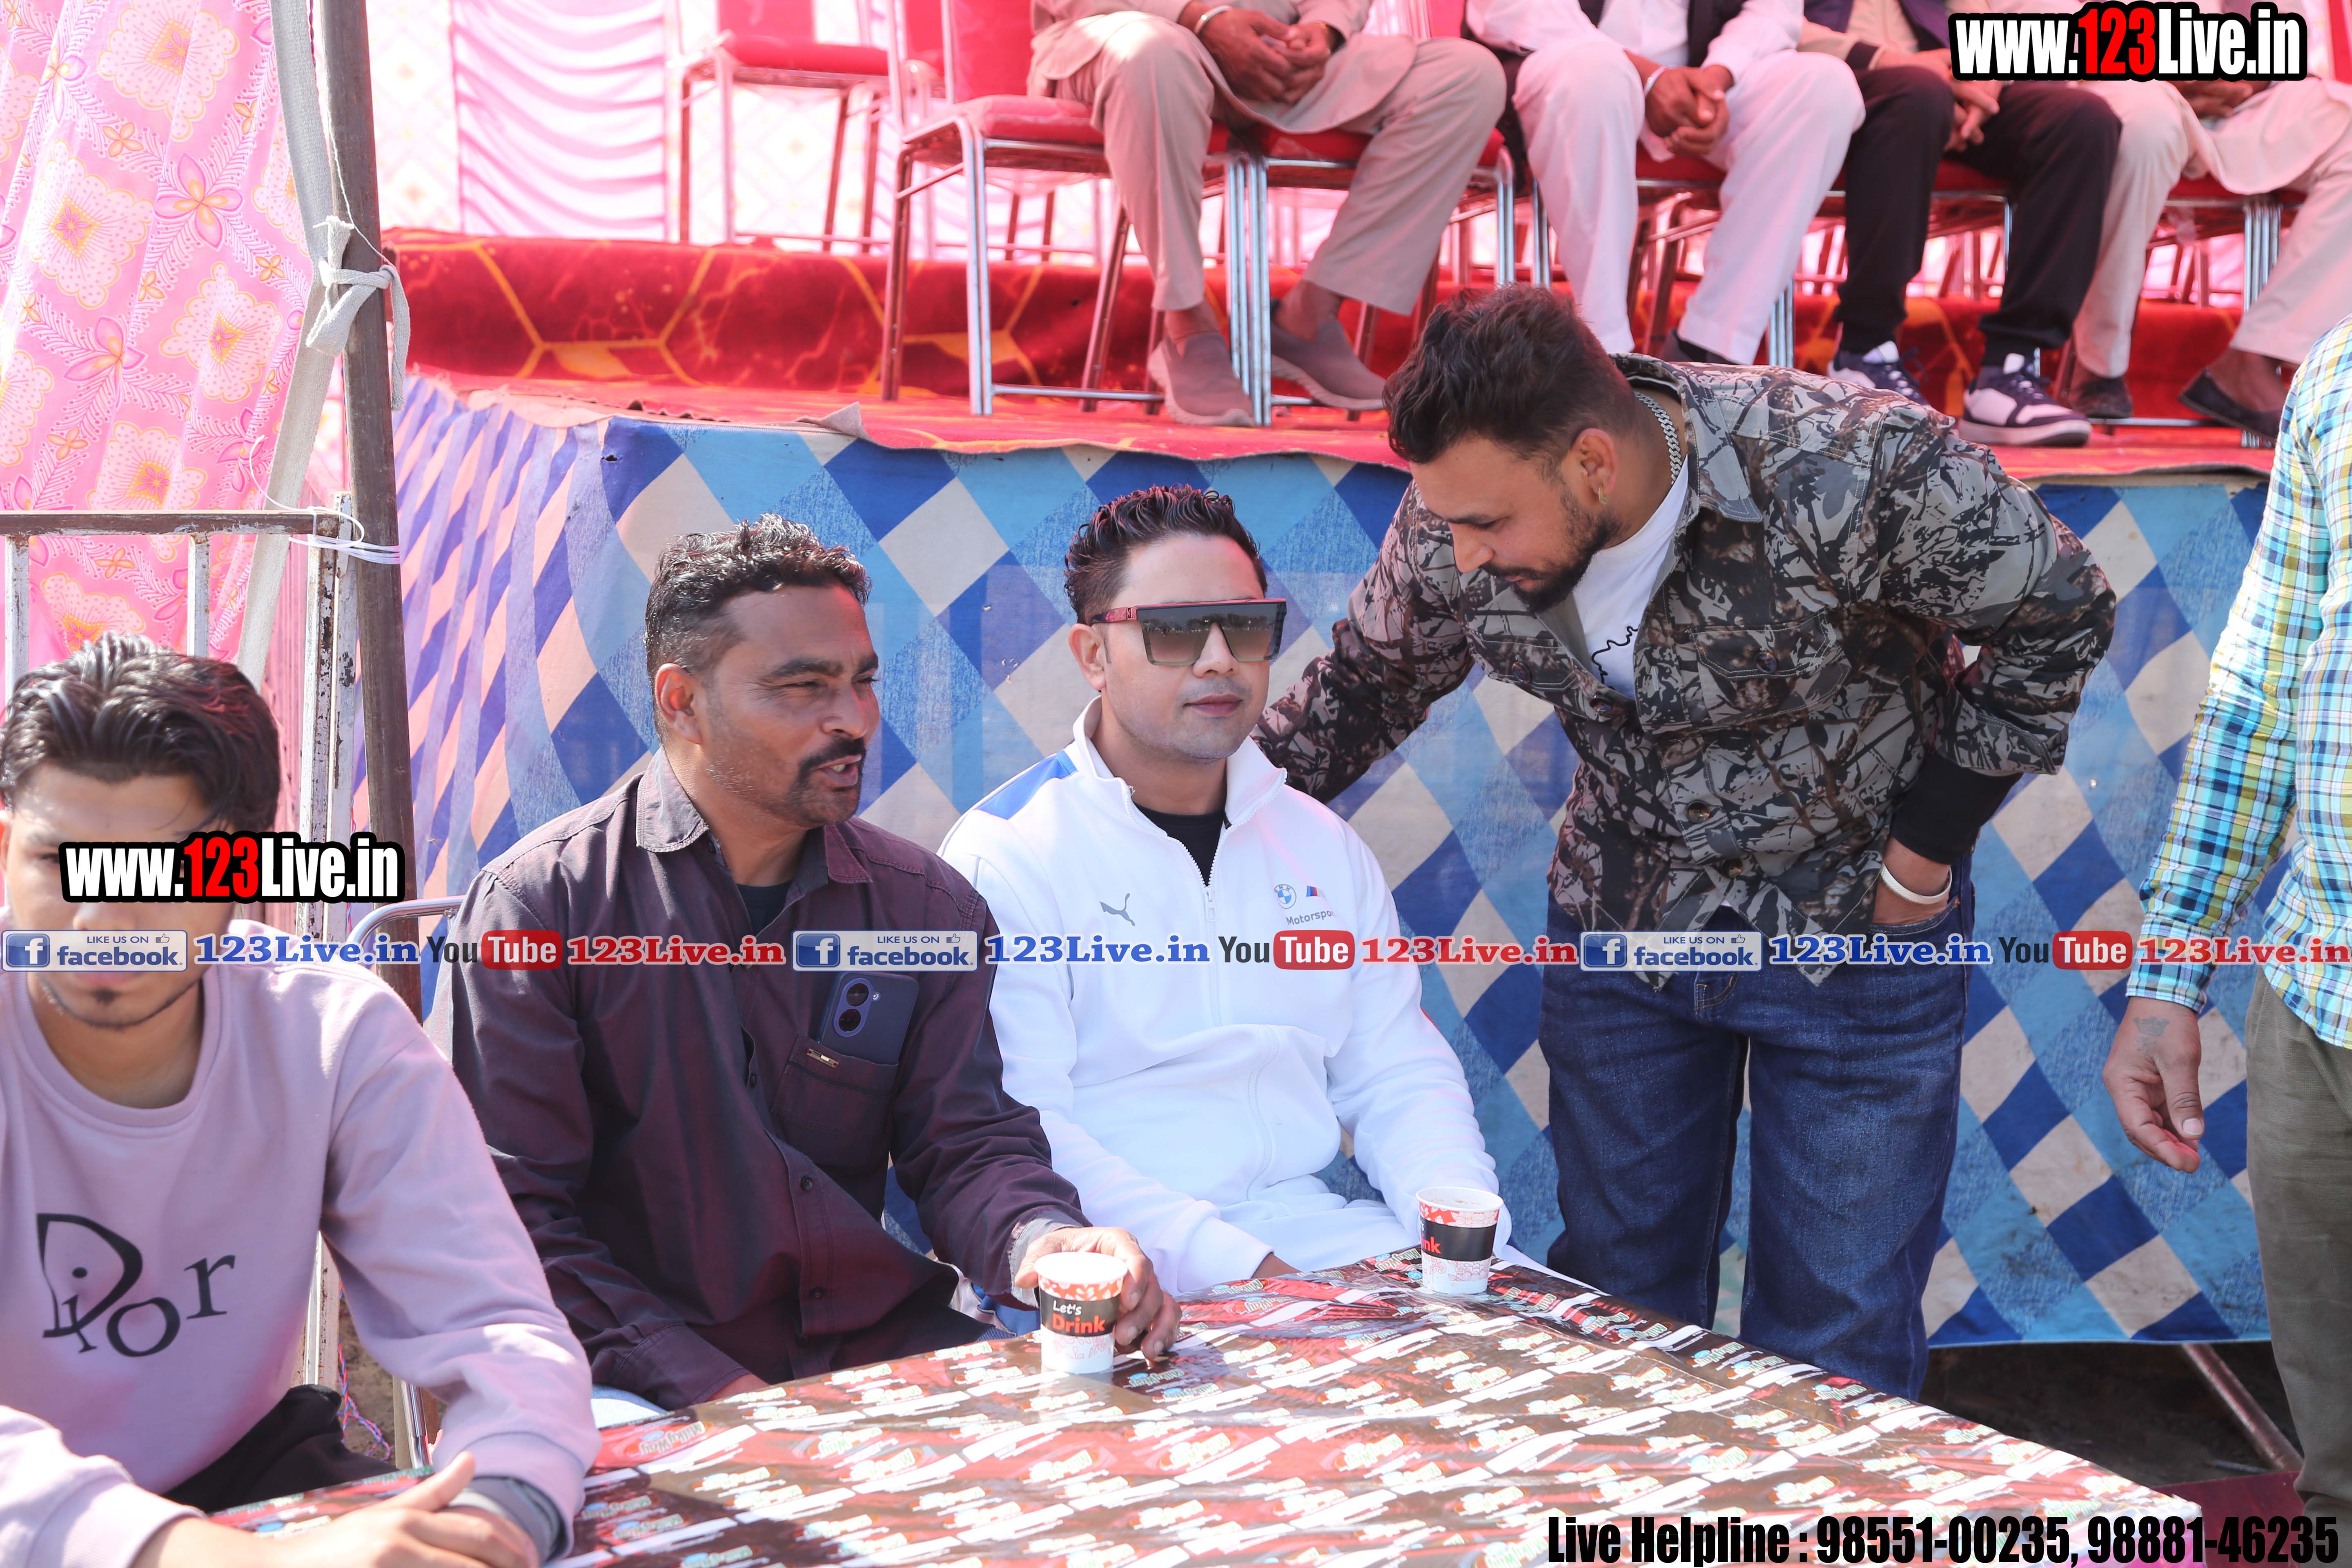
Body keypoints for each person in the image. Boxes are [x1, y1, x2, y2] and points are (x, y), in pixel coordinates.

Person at [1255, 286, 2115, 1396]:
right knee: (1618, 1314)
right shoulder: (1453, 512)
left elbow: (2060, 610)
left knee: (1837, 1341)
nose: (1461, 556)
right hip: (1624, 935)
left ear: (1593, 465)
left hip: (1854, 937)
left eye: (1490, 526)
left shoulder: (1850, 465)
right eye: (1449, 522)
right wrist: (1173, 822)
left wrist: (1925, 852)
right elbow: (1365, 686)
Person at [452, 518, 1178, 1423]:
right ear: (681, 702)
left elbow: (966, 1145)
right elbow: (519, 1222)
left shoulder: (926, 910)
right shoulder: (540, 911)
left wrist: (1048, 1241)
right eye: (804, 688)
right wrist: (722, 1397)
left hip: (870, 1351)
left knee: (1117, 1450)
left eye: (862, 681)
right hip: (628, 1374)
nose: (854, 720)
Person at [0, 635, 596, 1568]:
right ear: (5, 849)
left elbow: (496, 1329)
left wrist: (497, 1518)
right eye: (58, 862)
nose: (101, 920)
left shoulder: (332, 1030)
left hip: (244, 1476)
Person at [939, 487, 1508, 1296]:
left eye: (1244, 625)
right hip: (1117, 1272)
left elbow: (1397, 1073)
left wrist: (1459, 1235)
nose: (1218, 659)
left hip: (1327, 1243)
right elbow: (1022, 1129)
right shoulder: (1008, 855)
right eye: (1174, 630)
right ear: (1093, 656)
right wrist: (1254, 1277)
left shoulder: (1321, 846)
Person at [2103, 318, 2352, 1520]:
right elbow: (2260, 681)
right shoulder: (2341, 371)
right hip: (2315, 992)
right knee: (2339, 1475)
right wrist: (2169, 971)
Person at [1031, 0, 1504, 425]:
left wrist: (1323, 30)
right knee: (1153, 53)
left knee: (1467, 75)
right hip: (1128, 31)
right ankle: (1187, 326)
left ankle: (1307, 319)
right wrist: (1201, 18)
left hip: (1277, 57)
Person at [1470, 0, 1862, 368]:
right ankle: (1604, 353)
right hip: (1565, 62)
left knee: (1825, 87)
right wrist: (1649, 77)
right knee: (1594, 74)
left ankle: (1710, 351)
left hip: (1700, 74)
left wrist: (1714, 81)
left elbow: (1772, 12)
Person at [1800, 0, 2115, 446]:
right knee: (1917, 96)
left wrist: (1982, 80)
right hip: (1834, 81)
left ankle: (2009, 369)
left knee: (2081, 120)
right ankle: (1864, 349)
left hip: (1941, 83)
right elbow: (1766, 23)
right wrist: (1894, 63)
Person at [2054, 0, 2352, 438]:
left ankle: (2256, 358)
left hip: (2234, 95)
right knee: (2147, 128)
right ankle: (2097, 363)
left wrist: (2249, 69)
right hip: (2116, 77)